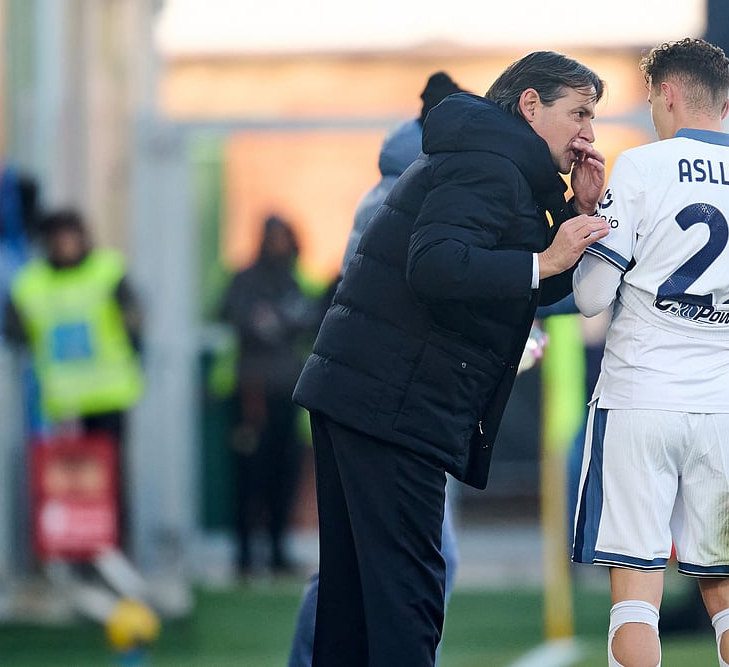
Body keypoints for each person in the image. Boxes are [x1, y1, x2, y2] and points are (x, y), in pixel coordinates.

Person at [292, 51, 609, 666]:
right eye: (579, 113)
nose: (589, 134)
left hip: (362, 396)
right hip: (389, 405)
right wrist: (544, 259)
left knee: (355, 605)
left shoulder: (489, 161)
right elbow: (436, 265)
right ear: (530, 106)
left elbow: (506, 285)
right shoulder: (489, 166)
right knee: (405, 599)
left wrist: (578, 218)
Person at [571, 38, 729, 667]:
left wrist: (590, 223)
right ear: (724, 102)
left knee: (636, 597)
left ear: (667, 93)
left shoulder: (642, 168)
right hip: (722, 411)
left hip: (640, 399)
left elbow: (591, 296)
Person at [285, 70, 467, 667]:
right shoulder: (421, 194)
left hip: (372, 395)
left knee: (358, 574)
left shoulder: (396, 188)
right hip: (389, 402)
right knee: (397, 576)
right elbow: (439, 287)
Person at [4, 207, 144, 542]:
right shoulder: (29, 282)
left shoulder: (107, 271)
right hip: (60, 401)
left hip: (109, 394)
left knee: (110, 479)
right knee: (66, 482)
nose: (66, 245)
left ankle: (113, 547)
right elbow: (12, 329)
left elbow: (134, 320)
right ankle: (73, 549)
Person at [221, 214, 320, 578]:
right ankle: (245, 555)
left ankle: (278, 551)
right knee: (250, 473)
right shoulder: (244, 280)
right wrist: (281, 322)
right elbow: (243, 320)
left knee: (285, 472)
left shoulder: (299, 281)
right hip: (252, 394)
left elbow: (313, 321)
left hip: (289, 393)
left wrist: (279, 322)